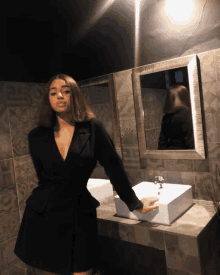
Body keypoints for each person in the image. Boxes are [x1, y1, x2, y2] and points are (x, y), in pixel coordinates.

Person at [14, 73, 159, 275]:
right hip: (44, 215)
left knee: (82, 270)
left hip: (79, 214)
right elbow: (43, 178)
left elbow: (114, 168)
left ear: (75, 96)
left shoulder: (93, 129)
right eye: (53, 92)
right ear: (48, 99)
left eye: (66, 92)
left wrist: (135, 203)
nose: (60, 96)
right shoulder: (37, 136)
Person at [158, 85, 195, 150]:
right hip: (186, 154)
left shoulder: (166, 117)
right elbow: (191, 143)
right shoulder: (188, 115)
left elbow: (161, 145)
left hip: (171, 154)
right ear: (185, 98)